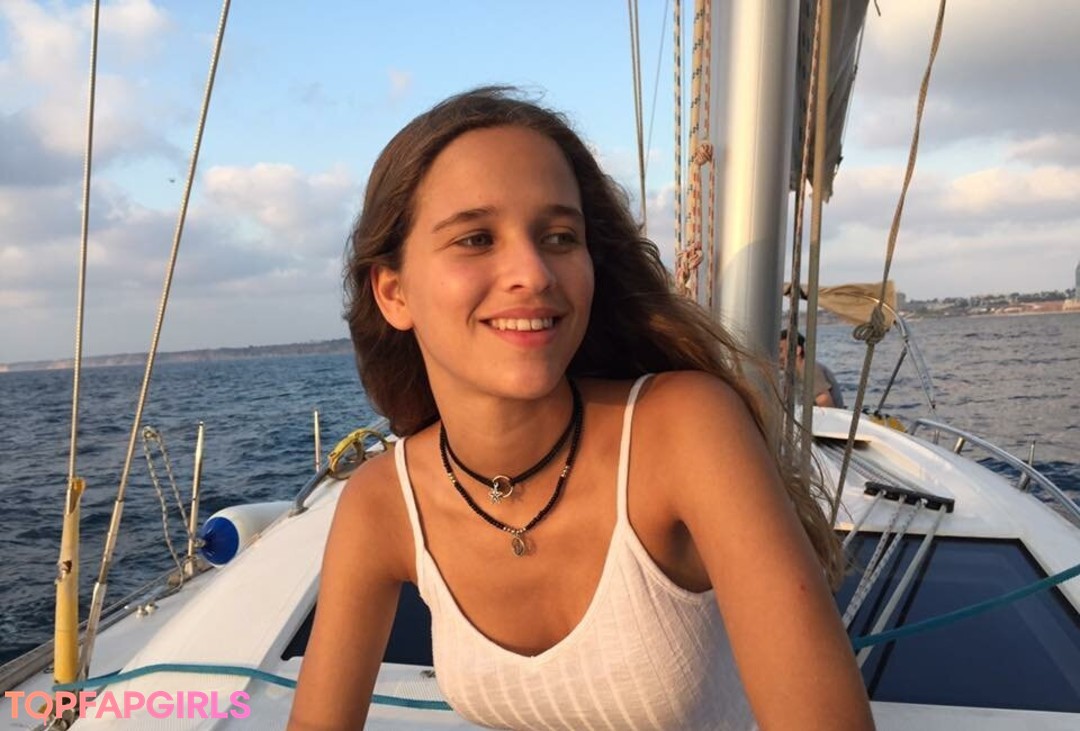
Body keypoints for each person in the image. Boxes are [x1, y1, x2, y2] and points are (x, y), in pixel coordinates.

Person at [289, 87, 873, 730]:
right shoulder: (382, 504)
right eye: (477, 238)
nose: (534, 272)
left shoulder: (683, 431)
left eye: (560, 236)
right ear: (394, 293)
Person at [780, 329, 846, 408]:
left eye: (780, 350)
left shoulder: (809, 370)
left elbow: (825, 404)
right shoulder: (791, 374)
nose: (777, 355)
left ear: (797, 350)